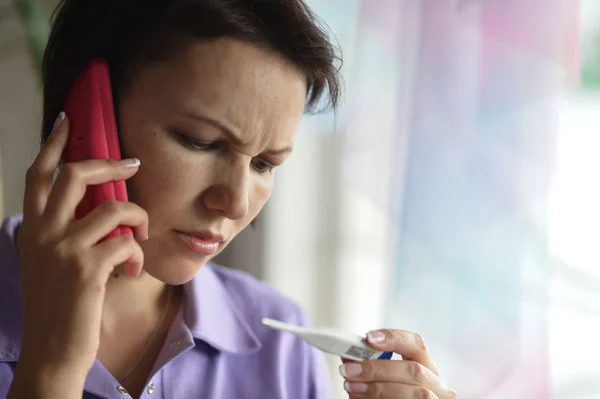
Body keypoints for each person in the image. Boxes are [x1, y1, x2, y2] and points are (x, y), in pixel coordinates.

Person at [0, 0, 457, 398]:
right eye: (201, 141)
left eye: (265, 164)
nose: (236, 204)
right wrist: (50, 371)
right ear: (88, 117)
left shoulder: (279, 346)